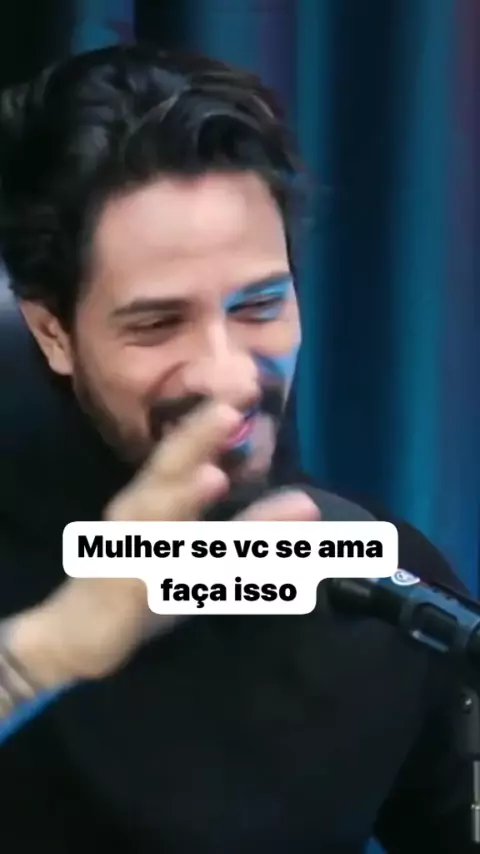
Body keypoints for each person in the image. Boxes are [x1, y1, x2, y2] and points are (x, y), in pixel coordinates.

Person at [0, 43, 474, 852]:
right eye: (158, 324)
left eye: (259, 306)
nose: (228, 377)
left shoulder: (385, 586)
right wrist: (46, 653)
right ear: (52, 333)